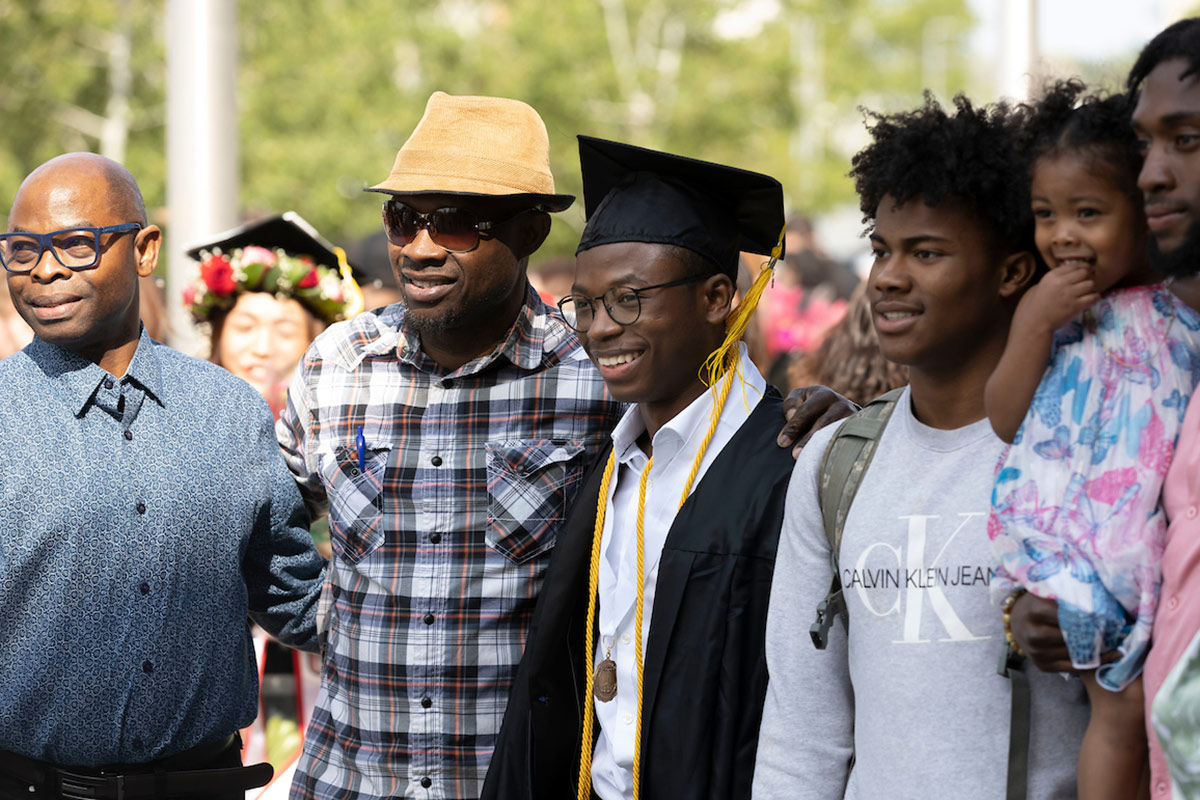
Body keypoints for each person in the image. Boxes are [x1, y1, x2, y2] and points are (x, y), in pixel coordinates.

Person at [280, 92, 850, 800]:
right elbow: (265, 527)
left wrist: (835, 421)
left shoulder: (595, 383)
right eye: (403, 217)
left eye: (454, 223)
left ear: (526, 232)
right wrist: (328, 618)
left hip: (508, 774)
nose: (420, 246)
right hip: (348, 780)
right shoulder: (337, 364)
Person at [752, 95, 1089, 799]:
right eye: (881, 249)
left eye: (926, 252)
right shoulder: (835, 464)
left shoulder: (1084, 450)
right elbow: (800, 734)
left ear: (1011, 273)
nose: (888, 277)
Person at [0, 152, 326, 799]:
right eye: (21, 251)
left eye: (74, 244)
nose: (44, 269)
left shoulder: (229, 411)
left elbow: (292, 595)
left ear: (145, 249)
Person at [482, 138, 796, 800]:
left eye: (628, 299)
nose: (598, 328)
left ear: (718, 297)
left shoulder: (792, 463)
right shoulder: (610, 467)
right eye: (586, 305)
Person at [984, 81, 1200, 799]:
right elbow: (1006, 417)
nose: (1062, 235)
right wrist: (1032, 326)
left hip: (1158, 548)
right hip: (1078, 545)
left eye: (1088, 212)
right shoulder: (1061, 317)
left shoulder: (1183, 308)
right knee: (1118, 708)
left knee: (1154, 709)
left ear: (1144, 211)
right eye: (1046, 215)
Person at [184, 212, 364, 417]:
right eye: (245, 327)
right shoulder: (183, 419)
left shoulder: (342, 428)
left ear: (315, 340)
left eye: (285, 331)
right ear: (218, 335)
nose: (263, 349)